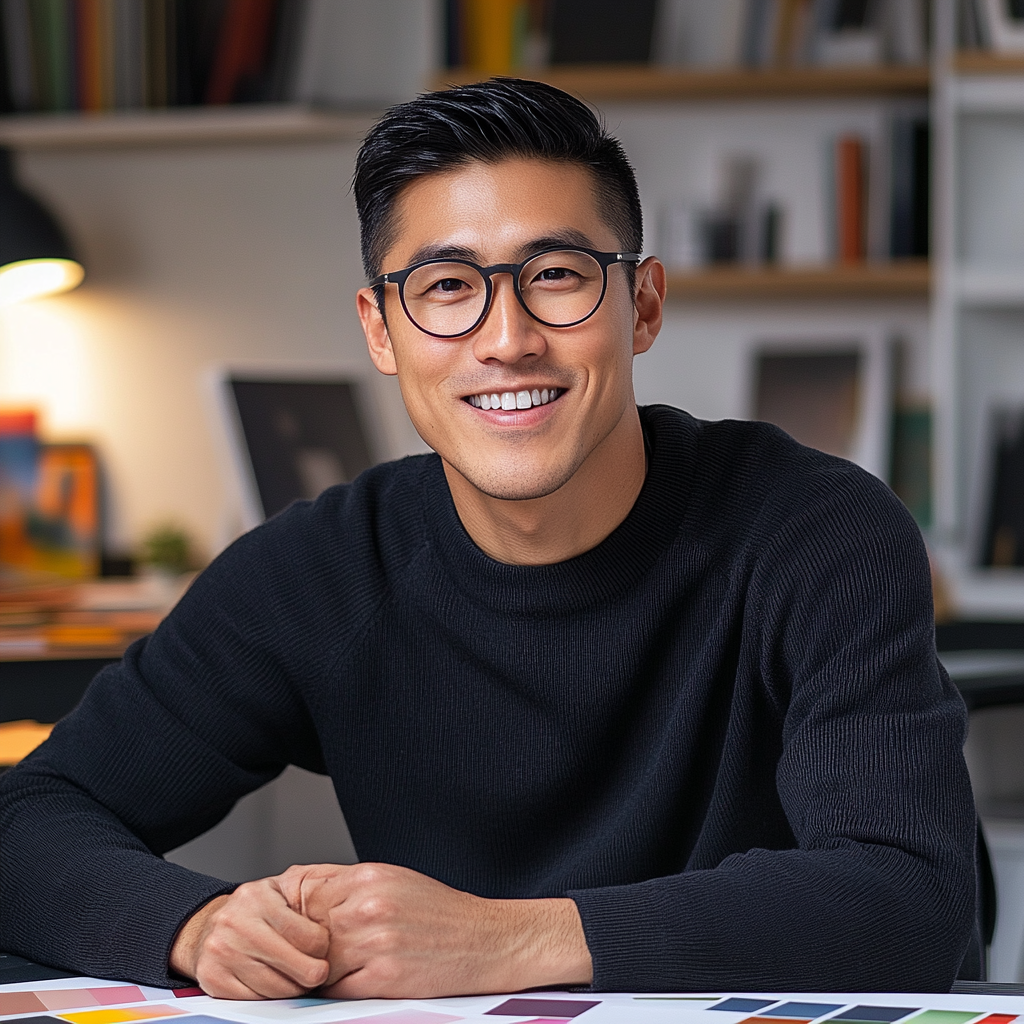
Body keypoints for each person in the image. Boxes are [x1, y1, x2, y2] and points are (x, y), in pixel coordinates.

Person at [0, 78, 978, 999]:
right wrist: (198, 925)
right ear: (381, 329)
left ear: (641, 305)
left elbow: (909, 902)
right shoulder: (318, 572)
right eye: (444, 287)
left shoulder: (815, 535)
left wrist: (506, 939)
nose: (506, 336)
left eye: (555, 275)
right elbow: (27, 822)